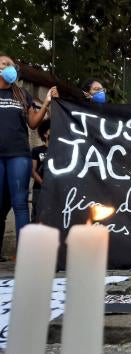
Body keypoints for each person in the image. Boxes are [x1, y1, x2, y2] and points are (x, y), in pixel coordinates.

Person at [0, 53, 57, 242]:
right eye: (4, 63)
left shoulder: (22, 94)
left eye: (11, 64)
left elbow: (33, 123)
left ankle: (25, 255)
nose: (9, 67)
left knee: (20, 204)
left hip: (19, 155)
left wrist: (47, 102)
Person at [31, 119, 50, 222]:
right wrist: (43, 184)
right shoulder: (36, 150)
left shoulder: (60, 150)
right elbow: (32, 171)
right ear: (45, 134)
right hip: (39, 189)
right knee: (37, 216)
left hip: (55, 190)